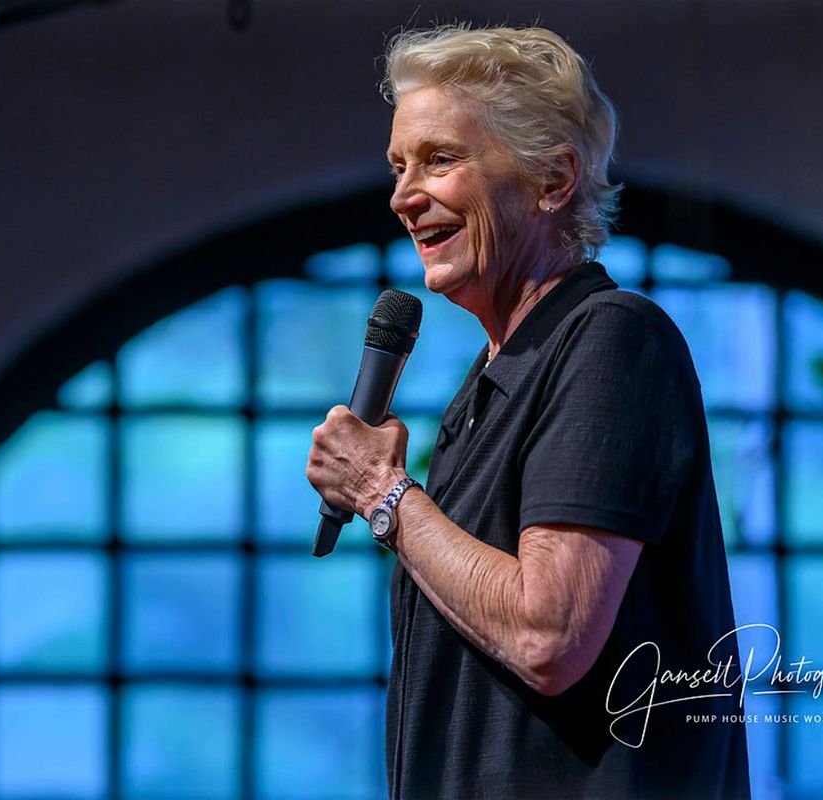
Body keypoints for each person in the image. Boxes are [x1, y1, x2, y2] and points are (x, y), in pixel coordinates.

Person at [306, 25, 751, 800]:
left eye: (440, 159)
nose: (403, 197)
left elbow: (548, 634)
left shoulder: (613, 339)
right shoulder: (485, 388)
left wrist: (384, 493)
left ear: (552, 179)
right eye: (399, 167)